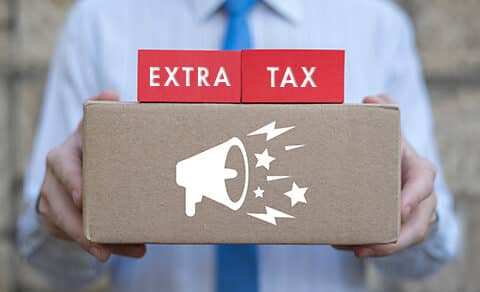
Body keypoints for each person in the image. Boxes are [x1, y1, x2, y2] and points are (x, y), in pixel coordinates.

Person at [17, 0, 460, 291]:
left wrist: (415, 216)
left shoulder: (378, 26)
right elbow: (52, 263)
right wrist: (59, 219)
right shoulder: (98, 22)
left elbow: (428, 257)